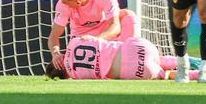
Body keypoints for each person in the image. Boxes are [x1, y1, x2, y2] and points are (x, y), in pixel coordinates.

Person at [46, 0, 139, 70]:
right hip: (81, 36)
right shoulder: (62, 4)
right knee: (67, 68)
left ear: (78, 2)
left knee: (128, 15)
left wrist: (96, 39)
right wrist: (55, 54)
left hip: (105, 30)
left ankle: (130, 59)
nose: (63, 4)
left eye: (66, 3)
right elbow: (54, 35)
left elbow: (115, 26)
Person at [47, 34, 177, 80]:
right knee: (159, 59)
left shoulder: (77, 77)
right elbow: (93, 39)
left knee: (164, 74)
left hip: (139, 71)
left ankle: (182, 74)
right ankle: (184, 60)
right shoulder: (74, 42)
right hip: (140, 46)